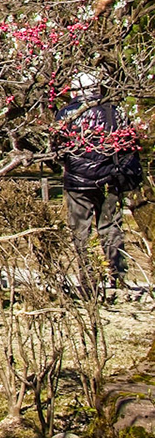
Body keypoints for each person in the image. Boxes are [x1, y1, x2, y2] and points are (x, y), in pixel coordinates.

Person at [56, 71, 143, 288]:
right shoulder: (115, 111)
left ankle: (87, 279)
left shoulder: (65, 114)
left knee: (80, 231)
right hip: (109, 179)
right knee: (111, 227)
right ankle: (117, 274)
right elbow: (128, 144)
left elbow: (57, 149)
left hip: (77, 182)